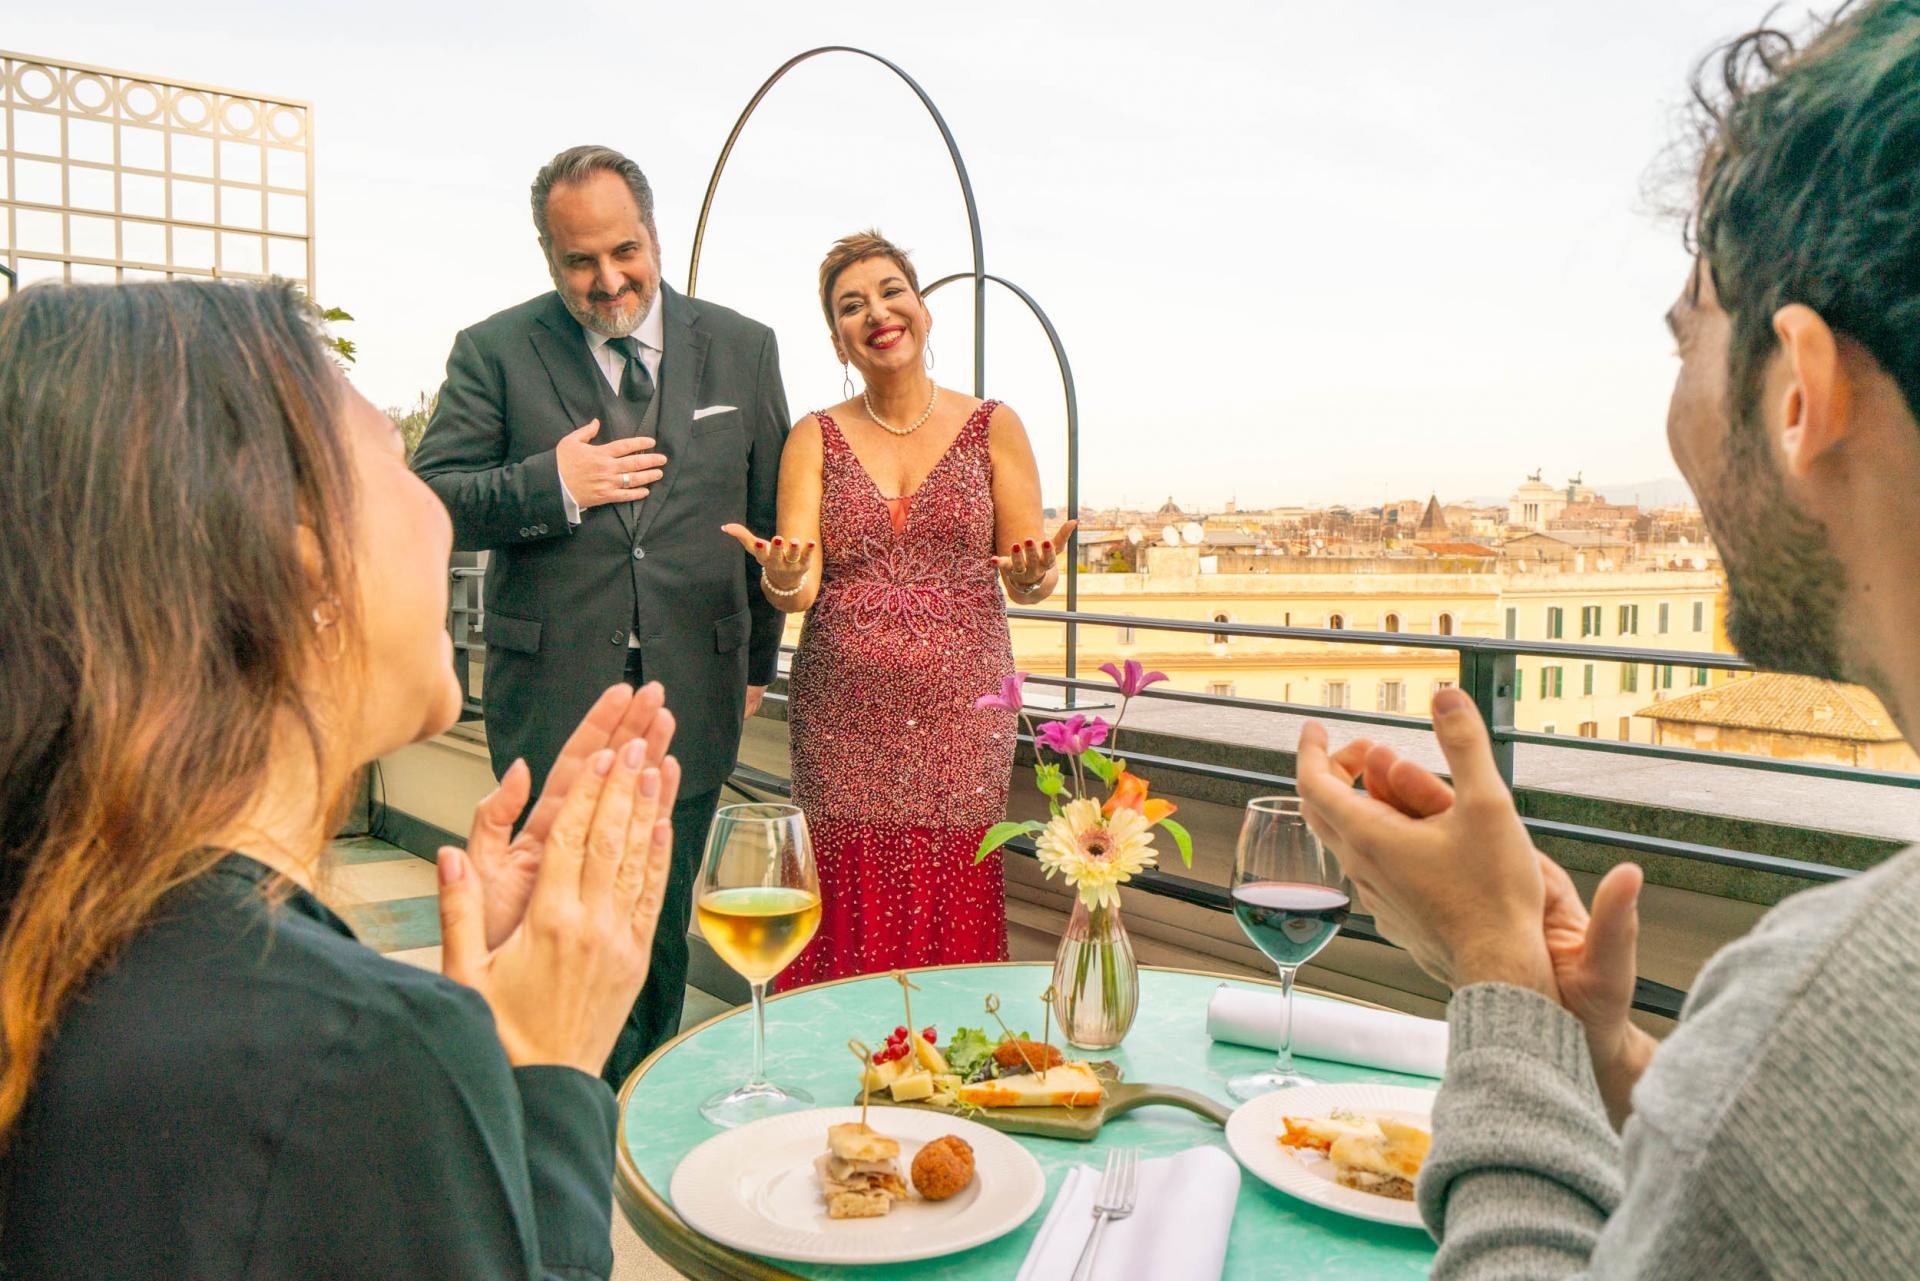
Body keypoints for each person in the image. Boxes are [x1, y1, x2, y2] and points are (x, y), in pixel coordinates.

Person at [1294, 3, 1920, 1277]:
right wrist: (1600, 1057)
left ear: (1799, 393)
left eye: (1690, 339)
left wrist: (1495, 975)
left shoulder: (1835, 1002)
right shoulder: (1801, 1047)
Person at [0, 279, 683, 1279]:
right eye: (399, 466)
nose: (439, 511)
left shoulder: (63, 944)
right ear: (303, 573)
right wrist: (545, 1069)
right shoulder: (352, 1059)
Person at [412, 145, 790, 1087]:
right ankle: (552, 1110)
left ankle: (630, 1114)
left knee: (657, 926)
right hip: (549, 694)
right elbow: (429, 499)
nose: (608, 280)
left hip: (695, 690)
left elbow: (770, 523)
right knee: (547, 925)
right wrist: (552, 484)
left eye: (624, 251)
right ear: (548, 255)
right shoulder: (493, 349)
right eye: (579, 261)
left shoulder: (744, 346)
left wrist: (756, 664)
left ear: (654, 234)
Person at [723, 231, 1074, 985]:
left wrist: (1038, 573)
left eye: (891, 292)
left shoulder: (994, 425)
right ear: (837, 339)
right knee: (840, 901)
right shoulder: (813, 436)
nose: (877, 313)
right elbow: (798, 589)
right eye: (852, 306)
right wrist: (781, 576)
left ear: (922, 309)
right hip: (841, 722)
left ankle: (947, 1058)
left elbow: (1026, 579)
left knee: (951, 903)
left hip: (962, 720)